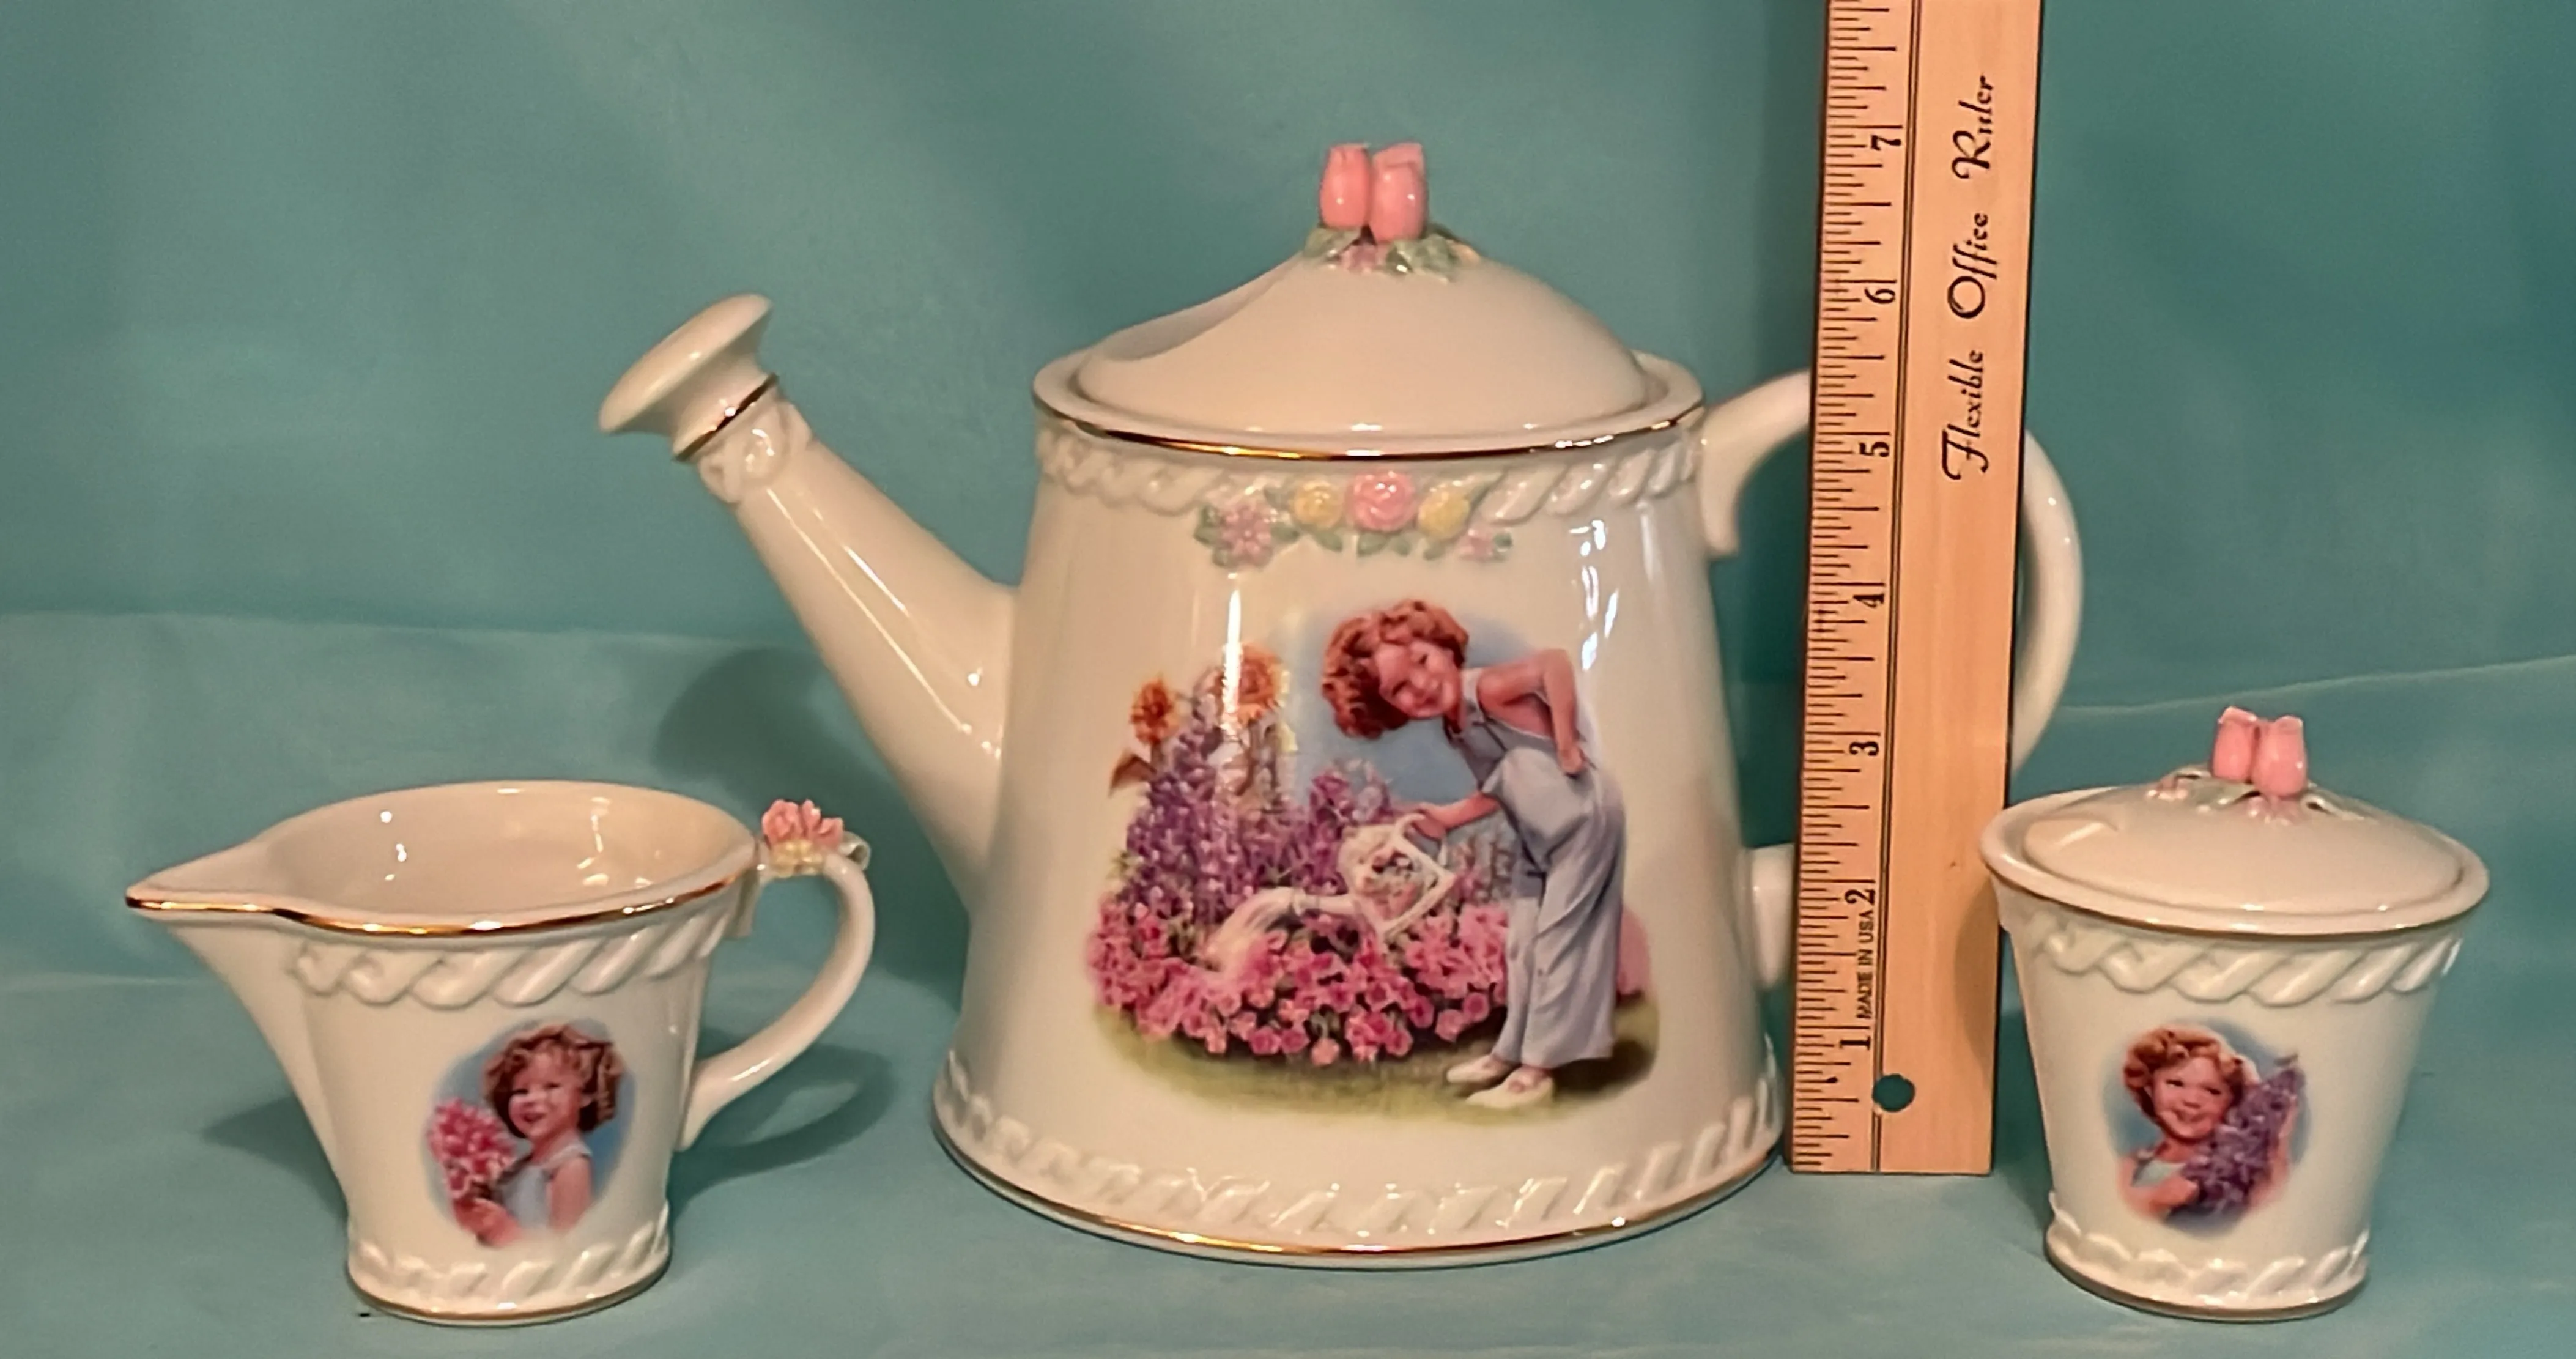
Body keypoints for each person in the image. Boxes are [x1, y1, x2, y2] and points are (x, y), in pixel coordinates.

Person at [1320, 599, 1626, 1109]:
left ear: (1444, 647)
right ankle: (1511, 1052)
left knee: (1558, 939)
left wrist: (1567, 744)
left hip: (1581, 818)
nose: (1420, 684)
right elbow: (1506, 782)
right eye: (1399, 688)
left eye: (1422, 660)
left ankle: (1539, 1069)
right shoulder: (1455, 724)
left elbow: (1554, 664)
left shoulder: (1486, 690)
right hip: (1538, 828)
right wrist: (1451, 817)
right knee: (1522, 944)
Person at [453, 1023, 624, 1245]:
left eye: (551, 1086)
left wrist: (502, 1229)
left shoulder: (570, 1167)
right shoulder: (516, 1169)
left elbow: (565, 1249)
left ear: (586, 1095)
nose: (533, 1099)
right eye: (521, 1091)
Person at [2119, 1024, 2295, 1219]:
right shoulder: (2133, 1166)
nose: (2192, 1100)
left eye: (2212, 1091)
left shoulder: (2238, 1173)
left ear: (2233, 1103)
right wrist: (2155, 1199)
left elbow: (2269, 1208)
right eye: (2175, 1084)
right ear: (2149, 1089)